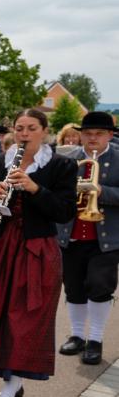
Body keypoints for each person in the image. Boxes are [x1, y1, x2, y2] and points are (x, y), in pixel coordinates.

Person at [0, 109, 77, 397]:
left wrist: (35, 189)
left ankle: (9, 388)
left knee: (22, 316)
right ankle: (8, 382)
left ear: (44, 131)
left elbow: (64, 212)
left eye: (31, 128)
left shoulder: (60, 166)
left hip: (35, 250)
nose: (24, 134)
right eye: (20, 128)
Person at [57, 112, 119, 366]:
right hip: (71, 233)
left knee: (99, 285)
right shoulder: (68, 158)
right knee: (73, 287)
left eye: (99, 134)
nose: (92, 138)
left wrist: (101, 191)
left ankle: (95, 339)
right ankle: (77, 335)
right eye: (88, 133)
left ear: (110, 135)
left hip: (106, 237)